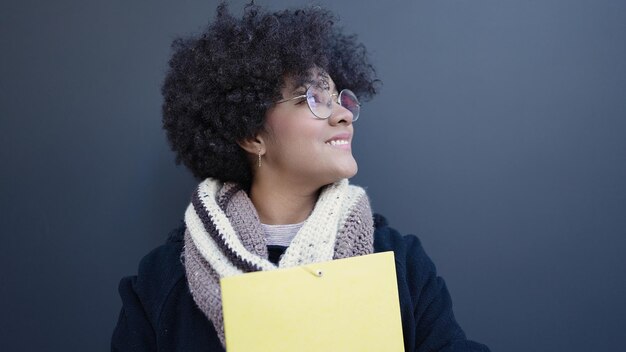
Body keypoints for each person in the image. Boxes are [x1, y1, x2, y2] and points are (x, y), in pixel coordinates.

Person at [111, 2, 491, 351]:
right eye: (312, 98)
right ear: (251, 134)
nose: (342, 115)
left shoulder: (400, 264)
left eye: (339, 98)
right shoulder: (163, 283)